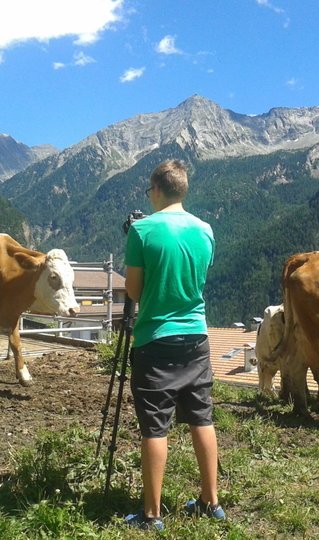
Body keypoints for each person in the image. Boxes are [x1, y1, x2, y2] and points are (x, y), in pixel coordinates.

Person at [123, 159, 225, 531]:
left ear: (156, 189)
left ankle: (152, 515)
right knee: (201, 417)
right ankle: (211, 501)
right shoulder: (206, 230)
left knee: (154, 427)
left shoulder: (142, 230)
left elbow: (133, 291)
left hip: (155, 339)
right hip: (197, 336)